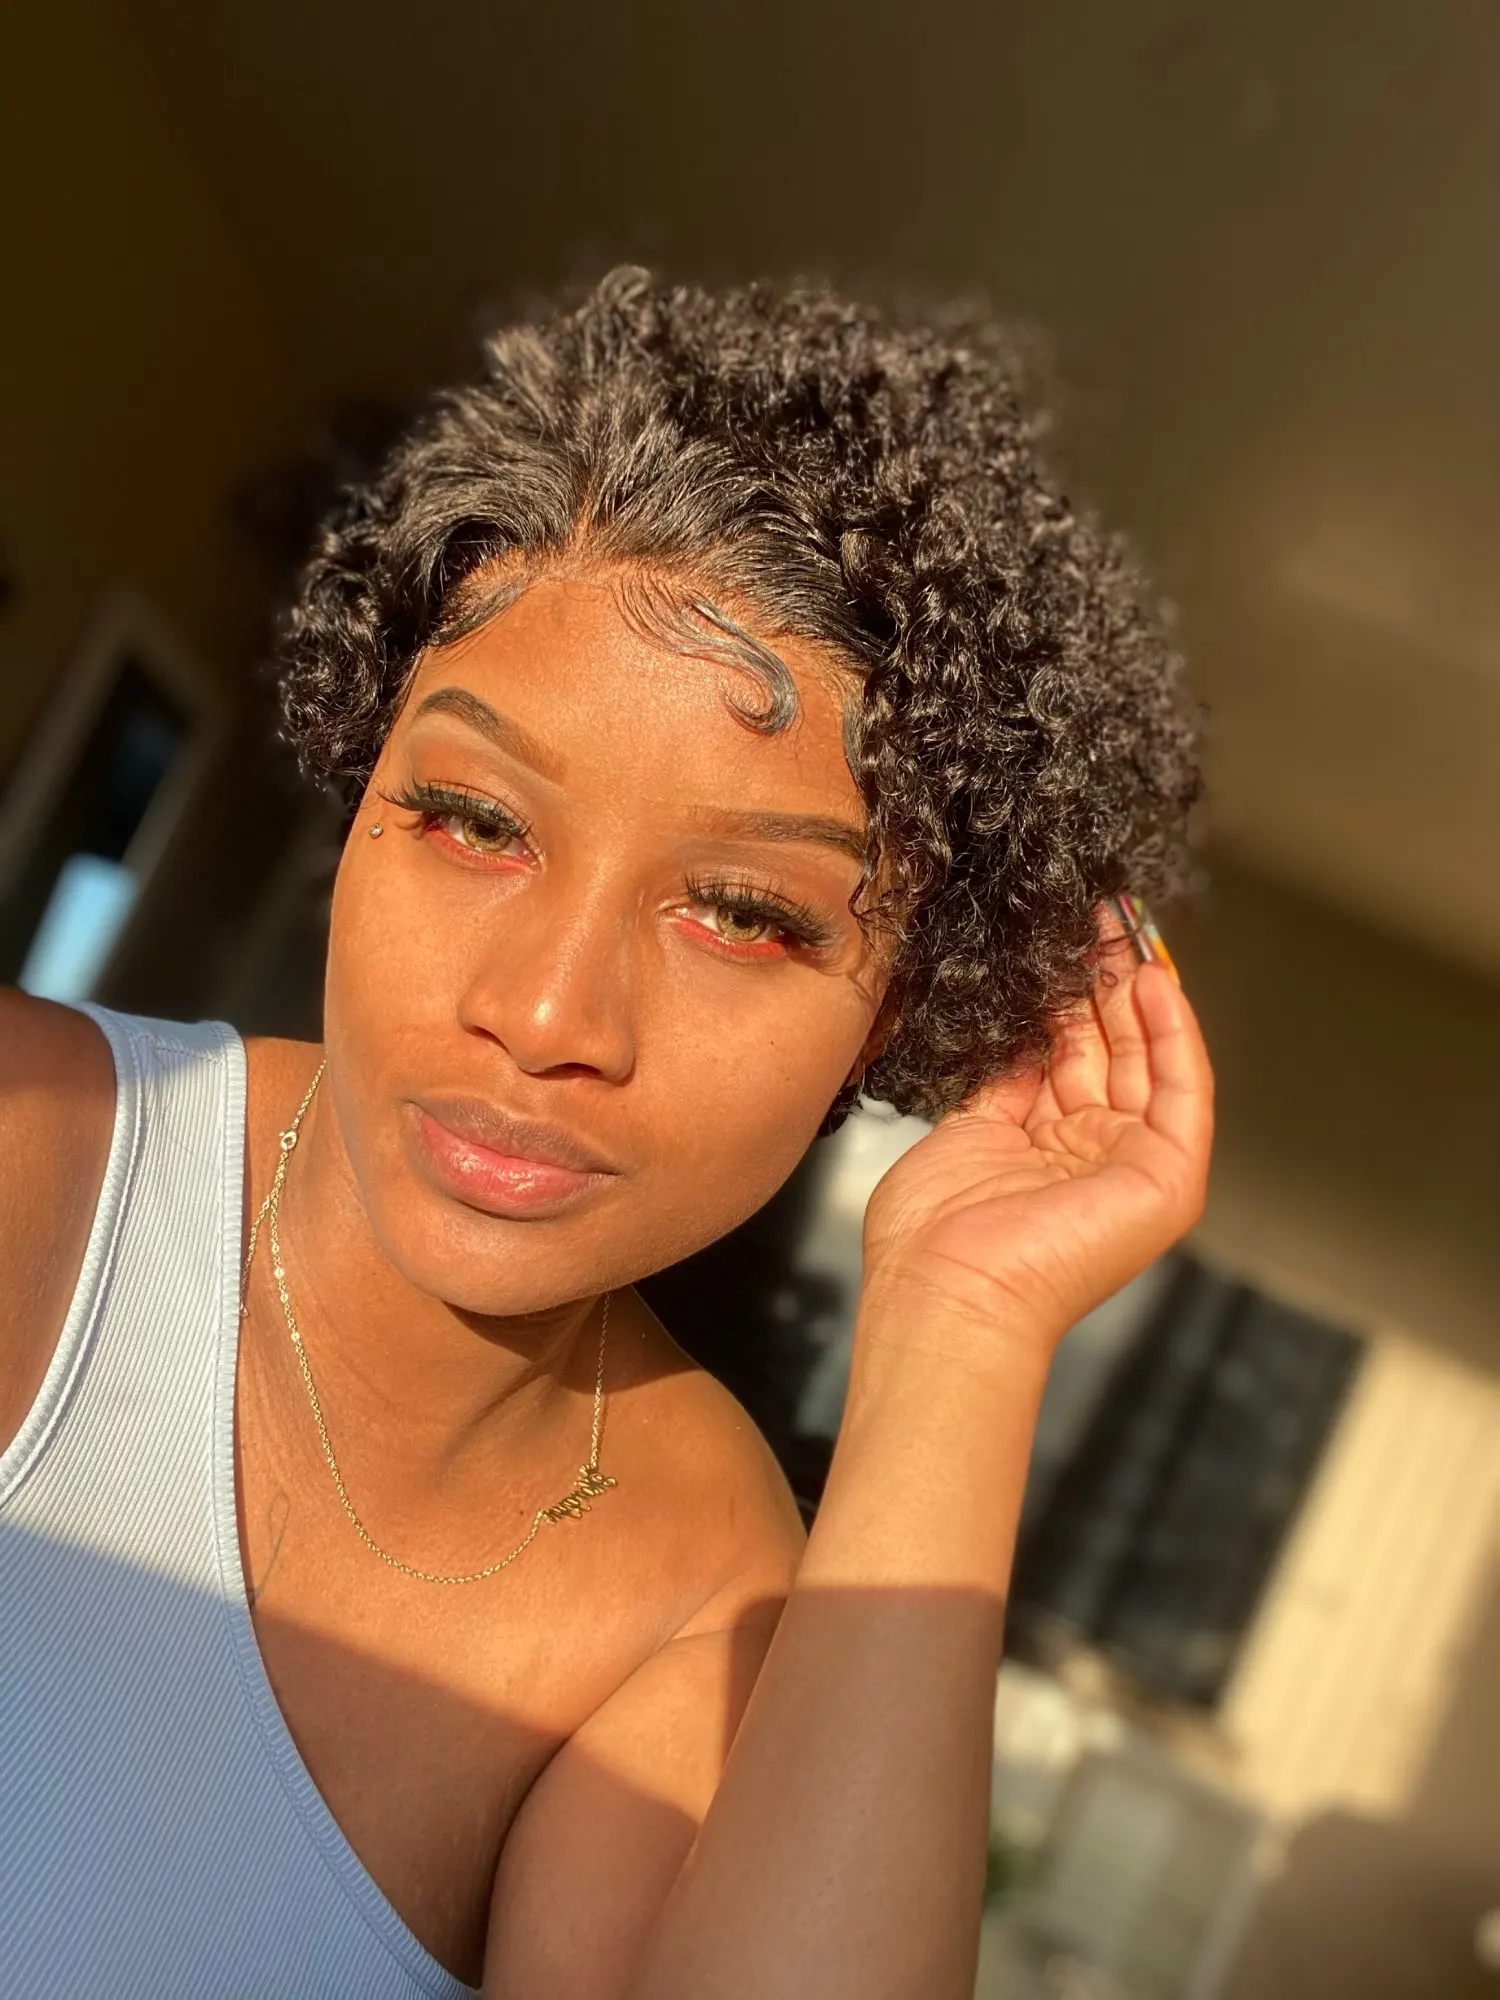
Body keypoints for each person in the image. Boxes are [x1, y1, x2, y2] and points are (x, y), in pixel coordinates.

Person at [0, 268, 1211, 1999]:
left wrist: (966, 1330)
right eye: (474, 819)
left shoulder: (706, 1595)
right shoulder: (30, 1154)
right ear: (362, 787)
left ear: (898, 1014)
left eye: (743, 914)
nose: (550, 1014)